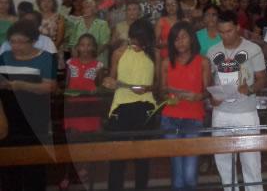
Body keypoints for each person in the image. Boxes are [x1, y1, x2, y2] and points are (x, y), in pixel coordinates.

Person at [207, 11, 267, 191]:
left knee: (251, 162)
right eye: (222, 32)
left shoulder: (253, 49)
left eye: (229, 31)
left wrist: (249, 89)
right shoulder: (213, 51)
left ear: (238, 28)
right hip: (221, 113)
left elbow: (263, 79)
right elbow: (211, 81)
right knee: (223, 161)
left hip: (246, 112)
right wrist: (214, 98)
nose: (226, 36)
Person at [0, 20, 57, 191]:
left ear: (33, 41)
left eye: (20, 42)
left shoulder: (46, 58)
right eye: (12, 41)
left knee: (35, 162)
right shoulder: (4, 57)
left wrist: (20, 85)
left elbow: (50, 86)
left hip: (35, 116)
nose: (15, 46)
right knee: (10, 163)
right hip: (8, 117)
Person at [102, 19, 157, 191]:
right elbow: (110, 79)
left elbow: (159, 86)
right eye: (134, 39)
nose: (136, 44)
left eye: (141, 41)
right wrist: (109, 82)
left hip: (146, 107)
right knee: (117, 159)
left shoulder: (155, 54)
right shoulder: (119, 53)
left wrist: (147, 88)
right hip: (121, 107)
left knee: (142, 159)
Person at [161, 22, 211, 191]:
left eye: (183, 37)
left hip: (193, 117)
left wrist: (198, 96)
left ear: (191, 38)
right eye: (175, 39)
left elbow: (208, 91)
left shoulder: (203, 61)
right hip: (170, 117)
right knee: (177, 175)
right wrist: (169, 94)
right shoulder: (167, 62)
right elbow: (161, 90)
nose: (180, 42)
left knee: (189, 175)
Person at [61, 34, 104, 190]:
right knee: (72, 141)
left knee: (89, 140)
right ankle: (68, 173)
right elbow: (66, 85)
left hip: (90, 107)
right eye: (82, 45)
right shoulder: (70, 63)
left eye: (89, 45)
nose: (86, 48)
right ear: (77, 47)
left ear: (94, 47)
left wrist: (96, 90)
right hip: (73, 107)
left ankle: (86, 169)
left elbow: (100, 86)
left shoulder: (98, 65)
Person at [69, 0, 111, 66]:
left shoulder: (102, 24)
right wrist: (76, 58)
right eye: (84, 7)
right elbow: (72, 44)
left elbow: (104, 43)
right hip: (79, 60)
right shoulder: (77, 24)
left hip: (97, 59)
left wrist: (90, 59)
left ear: (95, 10)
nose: (85, 9)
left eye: (88, 7)